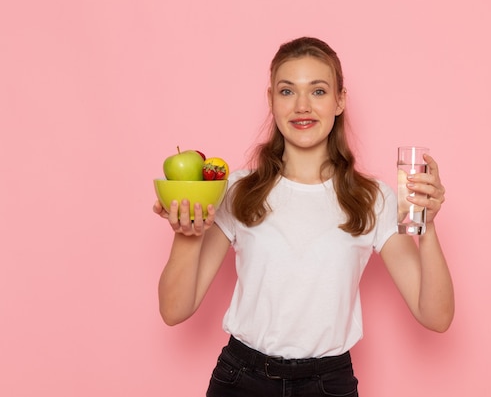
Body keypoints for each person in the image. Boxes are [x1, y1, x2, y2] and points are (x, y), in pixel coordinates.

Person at [153, 36, 454, 397]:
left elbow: (436, 317)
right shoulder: (236, 190)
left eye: (318, 91)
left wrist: (429, 226)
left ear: (340, 100)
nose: (302, 106)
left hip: (328, 384)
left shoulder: (372, 198)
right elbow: (174, 310)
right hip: (241, 380)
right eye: (286, 91)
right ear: (271, 100)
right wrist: (188, 230)